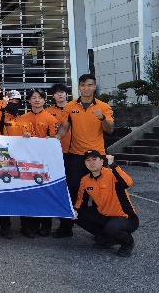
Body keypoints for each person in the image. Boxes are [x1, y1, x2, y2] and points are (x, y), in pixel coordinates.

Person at [55, 74, 115, 238]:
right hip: (76, 156)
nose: (86, 88)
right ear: (79, 87)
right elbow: (64, 128)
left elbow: (110, 129)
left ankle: (100, 230)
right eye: (83, 85)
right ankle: (66, 227)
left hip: (98, 156)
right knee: (72, 191)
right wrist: (56, 137)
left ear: (94, 87)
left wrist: (103, 118)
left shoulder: (103, 107)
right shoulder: (70, 107)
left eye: (90, 85)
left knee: (99, 194)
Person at [74, 151, 138, 257]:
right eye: (88, 160)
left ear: (102, 161)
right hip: (104, 215)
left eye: (94, 159)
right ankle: (107, 238)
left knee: (112, 228)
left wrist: (113, 165)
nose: (91, 163)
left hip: (125, 217)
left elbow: (128, 183)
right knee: (75, 215)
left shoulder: (112, 174)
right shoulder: (85, 180)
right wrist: (75, 211)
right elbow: (81, 201)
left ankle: (128, 243)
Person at [20, 88, 60, 237]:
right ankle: (27, 226)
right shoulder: (22, 119)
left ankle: (46, 225)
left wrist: (49, 140)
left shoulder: (51, 119)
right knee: (27, 193)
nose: (37, 100)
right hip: (26, 161)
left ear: (44, 100)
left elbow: (54, 140)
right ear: (29, 100)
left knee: (44, 193)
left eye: (40, 97)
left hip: (44, 162)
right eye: (33, 97)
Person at [0, 91, 36, 239]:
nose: (14, 104)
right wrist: (2, 108)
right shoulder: (1, 117)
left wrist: (29, 137)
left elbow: (34, 139)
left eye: (17, 101)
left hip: (23, 161)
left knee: (24, 193)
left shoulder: (26, 119)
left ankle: (26, 226)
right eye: (11, 101)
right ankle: (5, 227)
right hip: (5, 161)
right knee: (4, 195)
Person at [46, 83, 75, 237]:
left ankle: (72, 223)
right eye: (57, 93)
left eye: (63, 92)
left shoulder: (74, 109)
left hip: (75, 154)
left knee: (74, 189)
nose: (60, 95)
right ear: (53, 96)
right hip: (55, 156)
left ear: (67, 94)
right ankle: (58, 224)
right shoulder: (48, 112)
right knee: (55, 189)